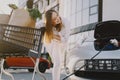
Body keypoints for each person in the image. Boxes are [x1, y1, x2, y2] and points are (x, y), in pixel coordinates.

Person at [43, 9, 70, 80]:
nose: (58, 18)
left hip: (62, 43)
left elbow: (65, 40)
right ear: (50, 22)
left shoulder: (66, 22)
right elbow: (36, 25)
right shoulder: (47, 24)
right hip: (53, 43)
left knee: (59, 63)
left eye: (57, 15)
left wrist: (54, 36)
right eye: (54, 19)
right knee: (57, 63)